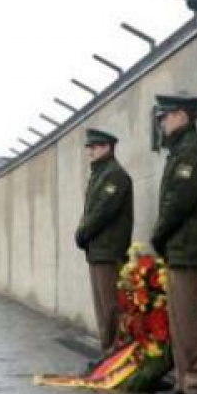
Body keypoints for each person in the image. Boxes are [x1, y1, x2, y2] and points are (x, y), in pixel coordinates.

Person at [151, 95, 197, 394]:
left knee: (192, 319)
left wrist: (158, 233)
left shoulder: (192, 150)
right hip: (181, 247)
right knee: (180, 321)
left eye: (164, 116)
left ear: (181, 115)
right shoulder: (181, 149)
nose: (161, 122)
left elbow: (179, 201)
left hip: (191, 248)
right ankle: (184, 381)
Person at [74, 128, 133, 362]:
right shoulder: (99, 175)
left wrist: (82, 233)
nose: (90, 151)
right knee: (102, 308)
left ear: (107, 147)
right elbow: (90, 211)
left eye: (95, 146)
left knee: (111, 308)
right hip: (97, 250)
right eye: (89, 147)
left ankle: (116, 356)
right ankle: (108, 353)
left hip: (109, 250)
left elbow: (103, 212)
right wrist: (84, 233)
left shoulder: (115, 175)